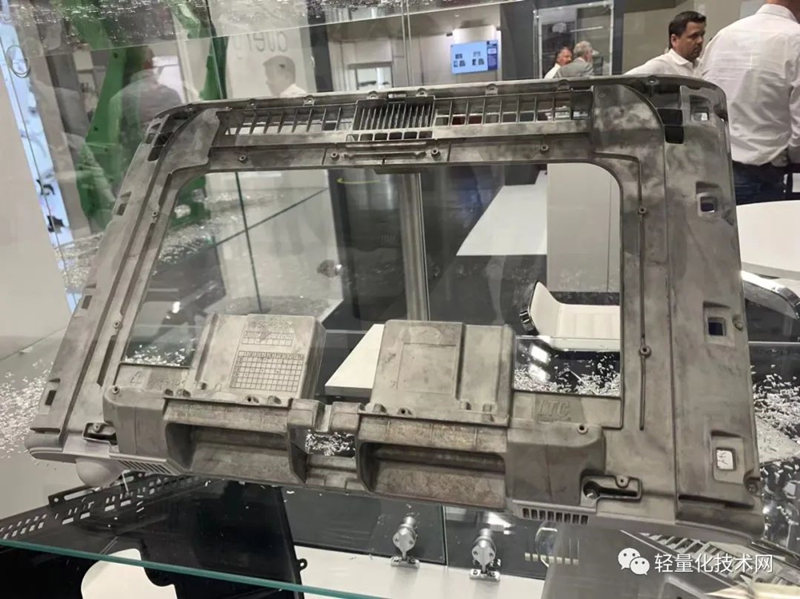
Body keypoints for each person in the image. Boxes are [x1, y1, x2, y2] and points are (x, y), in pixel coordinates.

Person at [701, 0, 800, 204]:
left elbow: (701, 101)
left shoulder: (723, 36)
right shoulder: (795, 39)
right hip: (767, 178)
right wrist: (791, 156)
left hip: (712, 172)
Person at [627, 11, 706, 77]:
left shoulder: (704, 66)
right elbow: (624, 83)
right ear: (674, 40)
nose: (700, 41)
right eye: (693, 36)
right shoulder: (660, 66)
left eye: (702, 35)